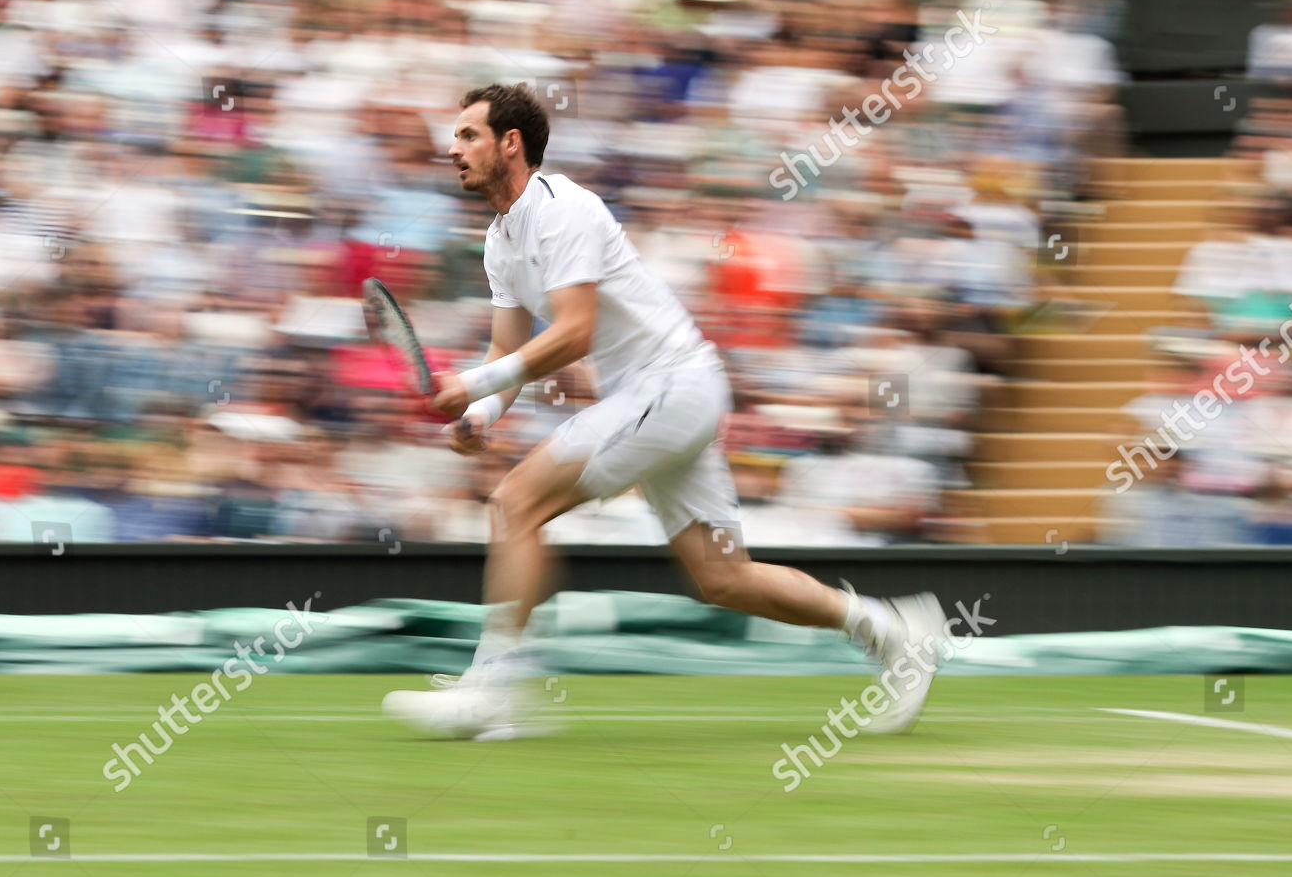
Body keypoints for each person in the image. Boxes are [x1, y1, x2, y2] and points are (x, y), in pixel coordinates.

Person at [382, 84, 948, 740]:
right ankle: (894, 630)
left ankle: (495, 690)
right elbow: (509, 348)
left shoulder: (565, 210)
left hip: (671, 387)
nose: (452, 149)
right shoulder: (499, 240)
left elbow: (574, 334)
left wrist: (474, 381)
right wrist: (482, 414)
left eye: (468, 135)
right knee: (725, 579)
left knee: (516, 503)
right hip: (666, 397)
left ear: (511, 144)